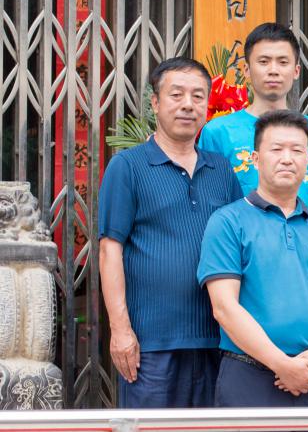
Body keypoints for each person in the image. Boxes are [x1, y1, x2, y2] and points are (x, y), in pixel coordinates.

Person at [98, 57, 242, 408]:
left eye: (198, 96)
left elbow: (241, 246)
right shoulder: (128, 166)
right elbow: (109, 250)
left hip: (216, 340)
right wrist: (120, 330)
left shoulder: (222, 169)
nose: (188, 105)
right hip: (151, 344)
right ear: (155, 103)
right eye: (176, 95)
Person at [198, 110, 308, 407]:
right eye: (276, 149)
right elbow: (224, 307)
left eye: (297, 151)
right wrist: (281, 364)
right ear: (255, 159)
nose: (287, 159)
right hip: (249, 375)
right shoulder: (228, 221)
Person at [199, 22, 308, 210]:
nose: (273, 70)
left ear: (296, 71)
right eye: (264, 62)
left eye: (283, 62)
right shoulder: (217, 132)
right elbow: (208, 199)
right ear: (246, 70)